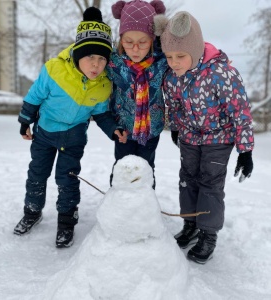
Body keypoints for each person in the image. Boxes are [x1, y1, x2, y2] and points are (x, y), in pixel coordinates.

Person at [13, 7, 127, 248]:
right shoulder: (55, 70)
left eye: (102, 58)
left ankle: (66, 220)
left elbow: (102, 113)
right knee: (37, 174)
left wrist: (113, 129)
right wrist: (25, 120)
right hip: (44, 133)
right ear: (77, 54)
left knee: (67, 179)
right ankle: (32, 211)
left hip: (74, 138)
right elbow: (34, 96)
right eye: (90, 57)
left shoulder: (104, 84)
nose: (96, 65)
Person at [154, 11, 254, 263]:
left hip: (218, 139)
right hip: (189, 137)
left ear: (196, 50)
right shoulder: (171, 77)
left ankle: (208, 233)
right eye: (169, 56)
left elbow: (240, 112)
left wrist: (245, 150)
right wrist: (176, 127)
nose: (174, 62)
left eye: (180, 56)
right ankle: (191, 224)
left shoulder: (222, 74)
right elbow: (174, 105)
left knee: (210, 184)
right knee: (187, 180)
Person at [108, 0, 168, 188]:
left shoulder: (163, 61)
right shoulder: (113, 63)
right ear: (121, 40)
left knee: (146, 168)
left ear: (152, 40)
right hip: (123, 129)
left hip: (151, 129)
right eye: (129, 42)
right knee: (122, 167)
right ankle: (118, 202)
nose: (135, 49)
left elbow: (190, 52)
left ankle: (145, 207)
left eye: (142, 42)